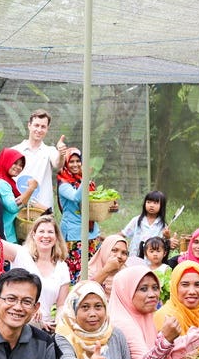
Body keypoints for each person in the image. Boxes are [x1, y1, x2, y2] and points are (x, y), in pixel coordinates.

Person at [5, 215, 71, 332]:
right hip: (20, 319)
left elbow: (61, 305)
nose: (46, 236)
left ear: (56, 237)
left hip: (46, 326)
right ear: (33, 235)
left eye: (50, 232)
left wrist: (58, 323)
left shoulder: (62, 267)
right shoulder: (21, 254)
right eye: (41, 231)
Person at [57, 147, 101, 283]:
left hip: (92, 233)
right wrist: (86, 179)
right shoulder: (63, 184)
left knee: (93, 271)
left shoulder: (86, 182)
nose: (75, 164)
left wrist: (112, 207)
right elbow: (76, 197)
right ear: (65, 164)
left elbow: (94, 204)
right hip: (74, 235)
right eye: (71, 161)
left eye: (78, 161)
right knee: (76, 273)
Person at [13, 109, 65, 214]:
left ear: (47, 129)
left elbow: (58, 164)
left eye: (43, 127)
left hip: (43, 210)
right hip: (18, 208)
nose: (39, 130)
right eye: (36, 125)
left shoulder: (50, 151)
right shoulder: (15, 150)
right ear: (29, 125)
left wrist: (61, 153)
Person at [0, 147, 37, 243]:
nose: (18, 167)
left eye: (21, 165)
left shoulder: (10, 182)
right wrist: (31, 189)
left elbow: (28, 201)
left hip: (9, 234)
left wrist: (47, 210)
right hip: (5, 236)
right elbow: (13, 206)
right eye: (15, 163)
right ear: (6, 161)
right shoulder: (1, 183)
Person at [122, 191, 171, 263]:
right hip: (135, 258)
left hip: (152, 262)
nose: (151, 205)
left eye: (155, 203)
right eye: (148, 202)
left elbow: (164, 245)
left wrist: (167, 237)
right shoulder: (137, 220)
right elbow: (124, 234)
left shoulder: (163, 226)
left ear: (162, 206)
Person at [87, 234, 130, 298]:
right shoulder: (88, 272)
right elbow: (85, 293)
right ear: (105, 250)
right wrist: (106, 270)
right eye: (114, 250)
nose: (119, 256)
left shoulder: (127, 274)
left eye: (124, 253)